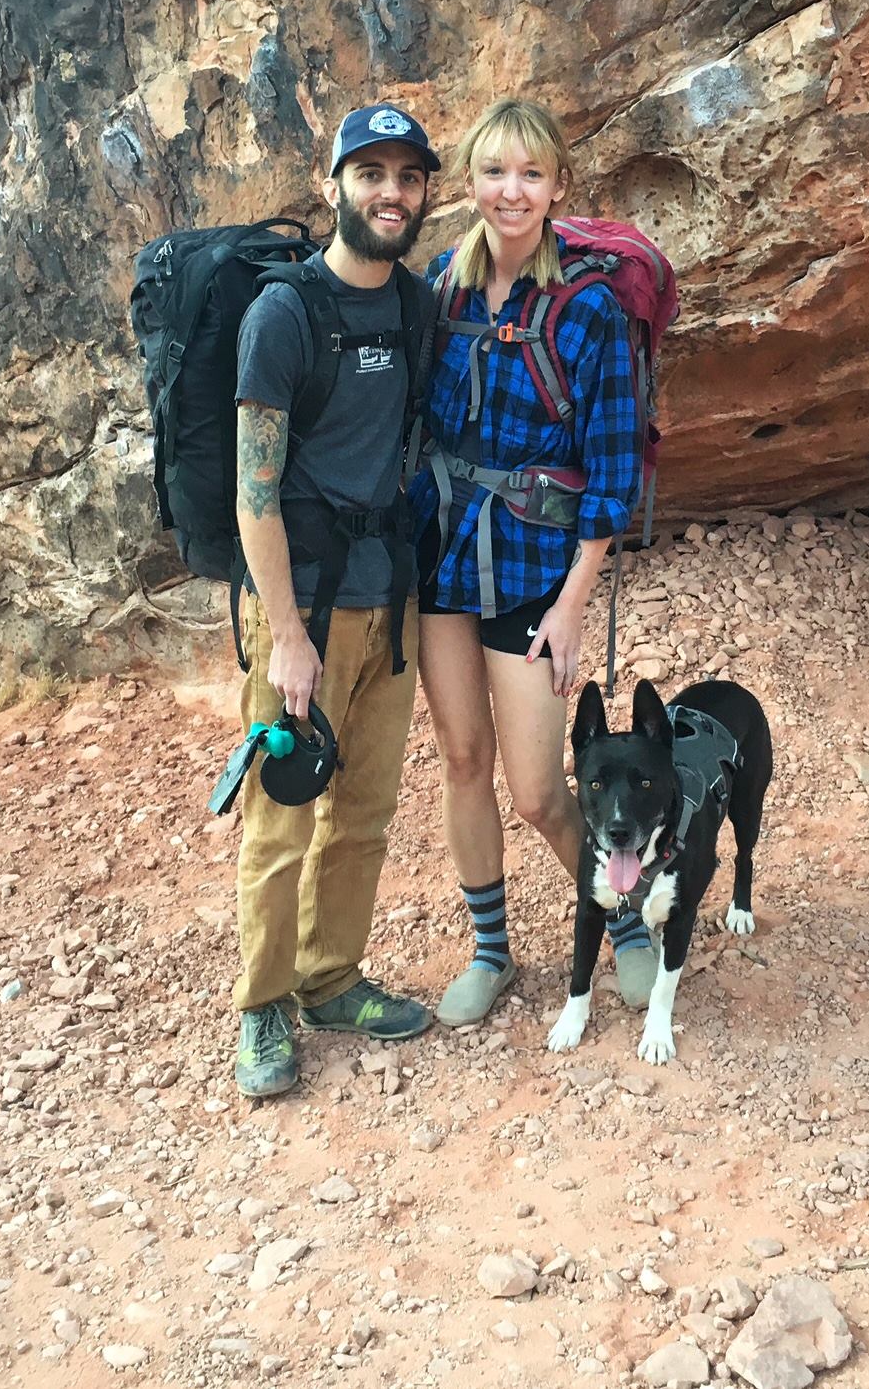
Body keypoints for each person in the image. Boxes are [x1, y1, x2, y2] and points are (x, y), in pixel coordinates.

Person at [411, 98, 654, 1026]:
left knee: (542, 789)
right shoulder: (444, 287)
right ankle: (491, 950)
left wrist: (571, 606)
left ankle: (625, 919)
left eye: (531, 174)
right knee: (462, 759)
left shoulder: (587, 308)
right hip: (441, 560)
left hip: (532, 568)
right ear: (470, 183)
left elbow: (613, 468)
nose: (511, 192)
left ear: (558, 187)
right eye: (494, 172)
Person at [230, 103, 440, 1098]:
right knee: (282, 820)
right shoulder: (285, 314)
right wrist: (285, 639)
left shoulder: (414, 308)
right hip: (305, 611)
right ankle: (263, 1007)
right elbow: (252, 489)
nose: (390, 192)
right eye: (371, 174)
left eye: (407, 176)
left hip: (387, 605)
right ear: (333, 187)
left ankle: (331, 979)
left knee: (363, 811)